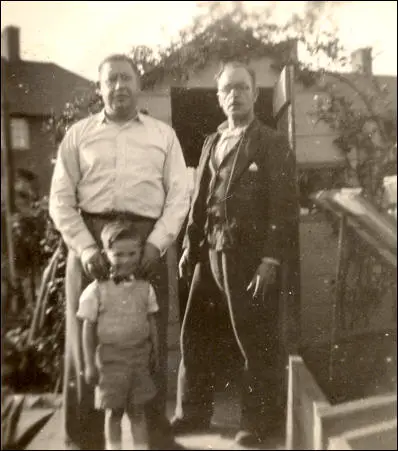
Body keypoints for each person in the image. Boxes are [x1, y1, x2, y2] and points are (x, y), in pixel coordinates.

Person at [49, 53, 190, 449]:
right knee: (86, 339)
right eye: (110, 80)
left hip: (145, 244)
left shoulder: (163, 135)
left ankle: (156, 437)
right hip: (92, 243)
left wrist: (157, 243)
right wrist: (85, 246)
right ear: (99, 88)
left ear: (139, 84)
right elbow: (60, 199)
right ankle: (84, 440)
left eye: (126, 78)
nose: (119, 87)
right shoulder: (78, 135)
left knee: (148, 339)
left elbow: (180, 195)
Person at [170, 61, 299, 446]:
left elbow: (284, 207)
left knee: (254, 339)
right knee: (195, 334)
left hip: (249, 258)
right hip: (210, 250)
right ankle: (191, 412)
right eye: (227, 89)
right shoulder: (212, 141)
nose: (234, 95)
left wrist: (270, 259)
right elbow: (201, 200)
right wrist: (190, 248)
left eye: (242, 87)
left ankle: (259, 424)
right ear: (219, 97)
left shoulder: (272, 143)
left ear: (255, 94)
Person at [78, 220, 159, 450]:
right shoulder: (96, 290)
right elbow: (87, 327)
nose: (126, 260)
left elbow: (151, 320)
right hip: (110, 361)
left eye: (132, 253)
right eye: (118, 254)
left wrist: (156, 350)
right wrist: (89, 365)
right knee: (113, 412)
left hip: (139, 358)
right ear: (105, 254)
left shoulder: (146, 288)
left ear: (140, 252)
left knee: (138, 410)